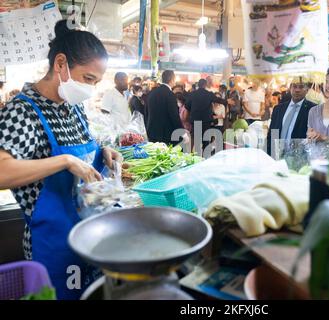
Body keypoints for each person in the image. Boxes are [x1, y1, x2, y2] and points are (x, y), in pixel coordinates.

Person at [0, 20, 121, 300]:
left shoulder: (73, 107)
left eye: (96, 82)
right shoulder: (23, 112)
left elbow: (83, 148)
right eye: (88, 78)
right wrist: (64, 160)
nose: (90, 88)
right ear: (61, 63)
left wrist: (103, 152)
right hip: (53, 248)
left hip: (87, 237)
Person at [266, 77, 316, 156]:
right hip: (277, 155)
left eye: (301, 87)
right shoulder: (278, 109)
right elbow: (273, 133)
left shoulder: (313, 109)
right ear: (290, 88)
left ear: (307, 90)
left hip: (299, 158)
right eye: (294, 86)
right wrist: (271, 155)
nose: (297, 90)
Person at [144, 70, 188, 146]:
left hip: (151, 132)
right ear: (172, 79)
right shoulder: (170, 95)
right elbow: (174, 116)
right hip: (166, 135)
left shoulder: (152, 93)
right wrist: (183, 133)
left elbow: (146, 112)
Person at [185, 78, 230, 154]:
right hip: (206, 121)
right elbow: (218, 100)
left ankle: (195, 156)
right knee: (206, 139)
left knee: (196, 139)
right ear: (205, 85)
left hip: (195, 119)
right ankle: (205, 157)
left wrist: (193, 110)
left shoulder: (192, 94)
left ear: (198, 85)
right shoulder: (209, 94)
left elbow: (187, 105)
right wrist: (227, 101)